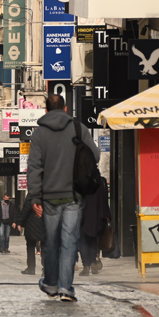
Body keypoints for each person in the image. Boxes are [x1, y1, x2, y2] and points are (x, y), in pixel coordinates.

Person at [27, 93, 100, 302]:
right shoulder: (79, 129)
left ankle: (50, 284)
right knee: (70, 241)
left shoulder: (39, 134)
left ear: (46, 111)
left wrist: (35, 197)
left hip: (49, 197)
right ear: (66, 109)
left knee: (50, 242)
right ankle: (66, 288)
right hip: (74, 196)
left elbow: (34, 167)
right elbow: (95, 155)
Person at [79, 176, 111, 275]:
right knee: (93, 240)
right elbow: (104, 199)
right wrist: (106, 215)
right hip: (96, 216)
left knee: (83, 241)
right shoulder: (100, 181)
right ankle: (93, 263)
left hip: (83, 215)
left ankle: (86, 266)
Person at [16, 197, 44, 276]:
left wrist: (20, 222)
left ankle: (31, 268)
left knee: (30, 247)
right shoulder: (46, 193)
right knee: (45, 247)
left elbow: (25, 210)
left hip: (31, 225)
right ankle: (46, 269)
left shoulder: (31, 196)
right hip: (44, 225)